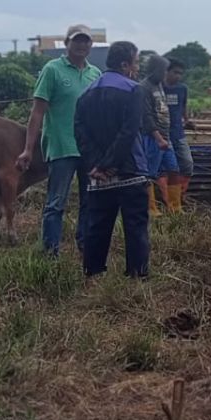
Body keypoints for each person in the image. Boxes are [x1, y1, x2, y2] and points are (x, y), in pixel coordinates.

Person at [16, 24, 101, 256]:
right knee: (56, 203)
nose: (82, 45)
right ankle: (50, 251)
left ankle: (85, 247)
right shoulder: (52, 70)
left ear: (91, 45)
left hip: (88, 149)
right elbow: (37, 112)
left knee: (89, 201)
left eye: (86, 41)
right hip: (62, 146)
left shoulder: (95, 74)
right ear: (66, 43)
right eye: (77, 40)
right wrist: (27, 149)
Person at [74, 41, 150, 278]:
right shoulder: (133, 90)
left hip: (98, 175)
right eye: (136, 62)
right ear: (125, 64)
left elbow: (80, 132)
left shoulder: (86, 93)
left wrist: (97, 165)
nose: (137, 68)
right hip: (129, 171)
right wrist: (109, 163)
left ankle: (93, 274)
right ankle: (137, 276)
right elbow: (128, 133)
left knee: (96, 226)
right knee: (135, 226)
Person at [139, 53, 177, 217]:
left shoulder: (159, 85)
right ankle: (151, 208)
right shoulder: (144, 87)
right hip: (153, 137)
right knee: (149, 173)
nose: (165, 74)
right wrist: (158, 138)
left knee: (173, 168)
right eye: (163, 70)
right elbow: (146, 116)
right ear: (154, 70)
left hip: (165, 136)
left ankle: (174, 206)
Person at [163, 57, 194, 211]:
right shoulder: (157, 88)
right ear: (166, 71)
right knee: (166, 168)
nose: (178, 76)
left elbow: (183, 107)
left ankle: (180, 196)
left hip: (178, 133)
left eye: (180, 73)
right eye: (175, 72)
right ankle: (168, 201)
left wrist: (187, 120)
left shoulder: (182, 89)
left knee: (187, 165)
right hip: (161, 135)